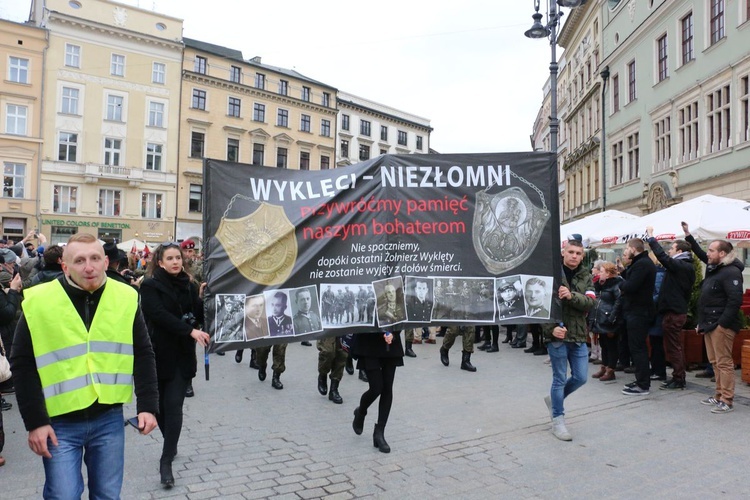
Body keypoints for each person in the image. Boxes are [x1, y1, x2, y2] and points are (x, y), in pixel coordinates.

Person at [10, 233, 158, 497]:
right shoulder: (39, 301)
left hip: (109, 418)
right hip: (59, 423)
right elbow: (22, 364)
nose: (88, 266)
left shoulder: (126, 296)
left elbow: (144, 353)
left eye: (94, 258)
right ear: (65, 266)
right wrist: (35, 422)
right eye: (79, 260)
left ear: (105, 262)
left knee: (108, 495)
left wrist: (148, 406)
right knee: (63, 495)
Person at [140, 241, 211, 488]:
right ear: (159, 262)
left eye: (178, 258)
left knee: (174, 407)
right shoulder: (149, 286)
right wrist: (190, 331)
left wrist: (204, 297)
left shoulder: (189, 285)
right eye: (170, 258)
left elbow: (198, 316)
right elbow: (158, 315)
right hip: (157, 355)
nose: (175, 262)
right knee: (158, 409)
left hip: (181, 357)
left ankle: (166, 460)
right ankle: (171, 441)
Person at [683, 223, 744, 413]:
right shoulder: (715, 267)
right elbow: (701, 255)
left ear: (722, 254)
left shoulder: (731, 272)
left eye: (711, 250)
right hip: (709, 323)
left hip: (721, 325)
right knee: (715, 362)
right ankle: (718, 395)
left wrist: (722, 324)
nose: (708, 254)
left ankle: (727, 399)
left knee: (724, 362)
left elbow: (735, 301)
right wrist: (689, 237)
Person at [543, 238, 596, 441]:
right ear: (563, 252)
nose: (574, 256)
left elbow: (590, 303)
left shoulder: (586, 275)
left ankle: (554, 400)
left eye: (578, 253)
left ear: (582, 255)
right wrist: (550, 329)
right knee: (558, 378)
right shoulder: (553, 274)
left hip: (579, 334)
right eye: (571, 252)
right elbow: (539, 306)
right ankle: (558, 420)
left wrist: (571, 296)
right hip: (558, 334)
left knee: (581, 377)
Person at [645, 227, 696, 390]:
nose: (669, 250)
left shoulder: (682, 265)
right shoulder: (684, 265)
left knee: (674, 347)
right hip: (673, 310)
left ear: (680, 250)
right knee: (673, 346)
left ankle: (679, 378)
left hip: (674, 312)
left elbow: (663, 257)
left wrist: (651, 238)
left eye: (672, 248)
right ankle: (677, 376)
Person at [350, 331, 404, 453]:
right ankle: (361, 411)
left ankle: (379, 432)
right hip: (369, 342)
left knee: (387, 388)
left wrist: (394, 333)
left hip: (389, 344)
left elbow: (400, 314)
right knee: (376, 388)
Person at [619, 238, 657, 396]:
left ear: (634, 249)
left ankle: (643, 385)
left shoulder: (642, 264)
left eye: (627, 248)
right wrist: (623, 272)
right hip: (636, 311)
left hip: (639, 312)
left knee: (638, 348)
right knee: (636, 347)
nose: (625, 251)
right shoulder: (640, 263)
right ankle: (641, 380)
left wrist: (620, 283)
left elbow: (630, 286)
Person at [589, 262, 622, 382]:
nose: (599, 273)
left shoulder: (616, 284)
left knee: (611, 345)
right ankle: (604, 366)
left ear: (608, 274)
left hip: (609, 319)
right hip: (600, 318)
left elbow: (619, 302)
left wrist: (612, 318)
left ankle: (610, 370)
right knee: (603, 344)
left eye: (602, 271)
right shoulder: (600, 284)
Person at [317, 335, 347, 404]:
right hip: (328, 327)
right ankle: (322, 374)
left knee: (342, 355)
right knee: (327, 351)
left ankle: (334, 389)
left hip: (344, 327)